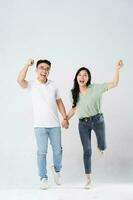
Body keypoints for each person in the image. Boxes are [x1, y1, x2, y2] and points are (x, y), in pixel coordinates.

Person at [66, 60, 123, 189]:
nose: (82, 77)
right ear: (76, 77)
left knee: (102, 145)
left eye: (85, 75)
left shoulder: (96, 88)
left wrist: (117, 69)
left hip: (98, 121)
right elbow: (74, 109)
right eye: (80, 75)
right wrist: (66, 119)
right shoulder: (73, 93)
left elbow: (114, 84)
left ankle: (101, 147)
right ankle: (88, 178)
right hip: (83, 124)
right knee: (87, 150)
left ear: (88, 78)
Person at [17, 58, 69, 189]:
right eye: (41, 68)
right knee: (42, 152)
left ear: (49, 71)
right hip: (39, 125)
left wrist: (65, 118)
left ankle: (57, 171)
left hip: (55, 125)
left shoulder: (53, 85)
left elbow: (59, 102)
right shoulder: (32, 85)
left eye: (47, 69)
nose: (44, 71)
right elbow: (19, 80)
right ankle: (43, 178)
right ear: (37, 70)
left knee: (58, 151)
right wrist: (27, 65)